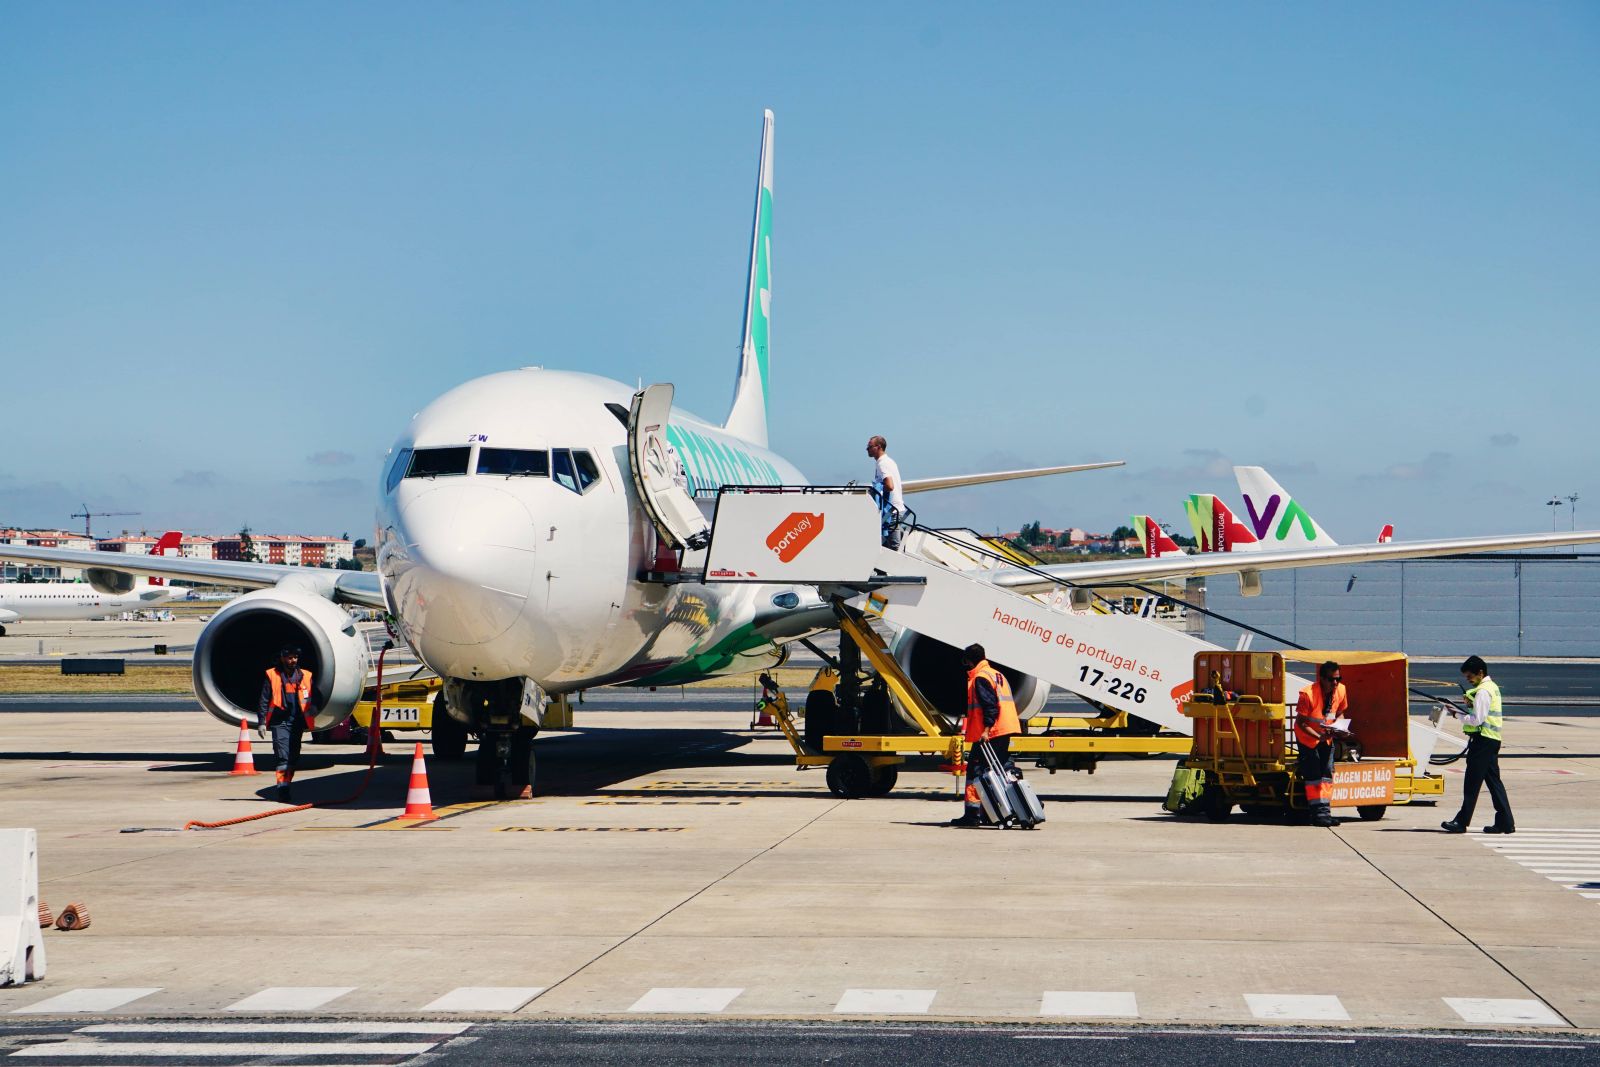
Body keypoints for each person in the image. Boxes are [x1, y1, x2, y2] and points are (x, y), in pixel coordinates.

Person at [950, 643, 1021, 827]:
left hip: (991, 733)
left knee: (976, 772)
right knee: (1002, 769)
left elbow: (990, 707)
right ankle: (1008, 807)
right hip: (1005, 729)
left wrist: (986, 730)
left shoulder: (980, 678)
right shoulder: (997, 674)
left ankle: (973, 814)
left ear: (968, 660)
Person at [1442, 655, 1513, 834]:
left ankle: (1461, 822)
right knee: (1494, 783)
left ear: (1480, 673)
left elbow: (1476, 720)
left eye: (1469, 676)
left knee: (1472, 784)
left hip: (1482, 742)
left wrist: (1456, 714)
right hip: (1491, 740)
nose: (1468, 680)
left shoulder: (1483, 691)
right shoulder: (1492, 687)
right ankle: (1505, 821)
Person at [258, 645, 316, 803]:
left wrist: (314, 709)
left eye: (295, 658)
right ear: (283, 658)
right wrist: (261, 722)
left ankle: (286, 783)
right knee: (282, 756)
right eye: (289, 658)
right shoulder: (272, 675)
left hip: (297, 721)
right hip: (280, 721)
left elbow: (316, 696)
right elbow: (264, 700)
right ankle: (282, 788)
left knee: (293, 757)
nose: (293, 660)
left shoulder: (305, 675)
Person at [1294, 661, 1347, 827]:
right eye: (1331, 679)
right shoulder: (1307, 694)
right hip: (1308, 739)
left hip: (1327, 738)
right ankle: (1318, 814)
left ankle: (1324, 812)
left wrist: (1340, 726)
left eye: (1338, 678)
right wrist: (1318, 736)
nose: (1335, 683)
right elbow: (1301, 722)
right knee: (1314, 775)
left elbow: (1340, 713)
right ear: (1322, 679)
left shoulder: (1341, 690)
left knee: (1326, 774)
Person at [866, 435, 905, 548]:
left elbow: (889, 485)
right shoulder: (888, 461)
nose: (867, 449)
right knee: (888, 546)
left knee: (893, 548)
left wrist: (876, 489)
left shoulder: (882, 463)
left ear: (878, 447)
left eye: (869, 446)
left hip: (892, 511)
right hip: (896, 509)